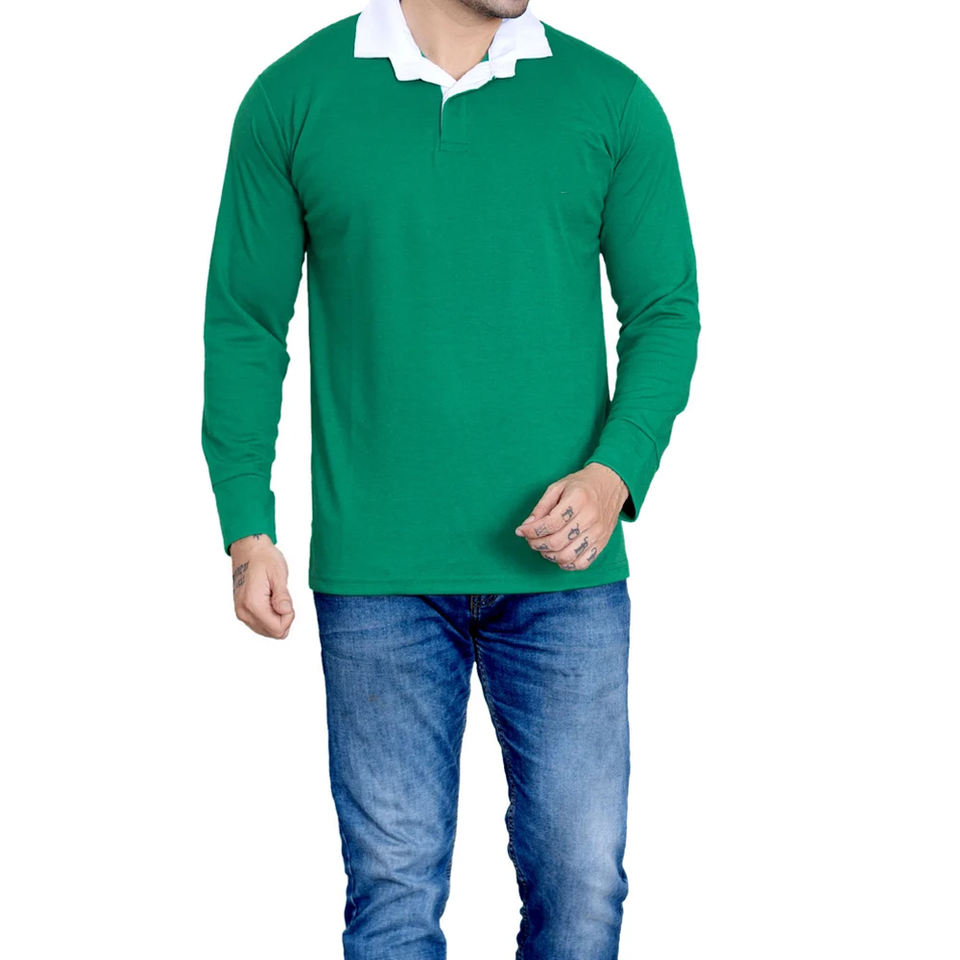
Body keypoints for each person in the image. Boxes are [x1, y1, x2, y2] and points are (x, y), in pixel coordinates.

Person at [201, 0, 699, 955]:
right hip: (378, 574)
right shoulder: (294, 98)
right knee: (391, 896)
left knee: (583, 888)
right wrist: (246, 525)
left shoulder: (611, 101)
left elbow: (666, 310)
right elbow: (246, 323)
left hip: (567, 578)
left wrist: (614, 475)